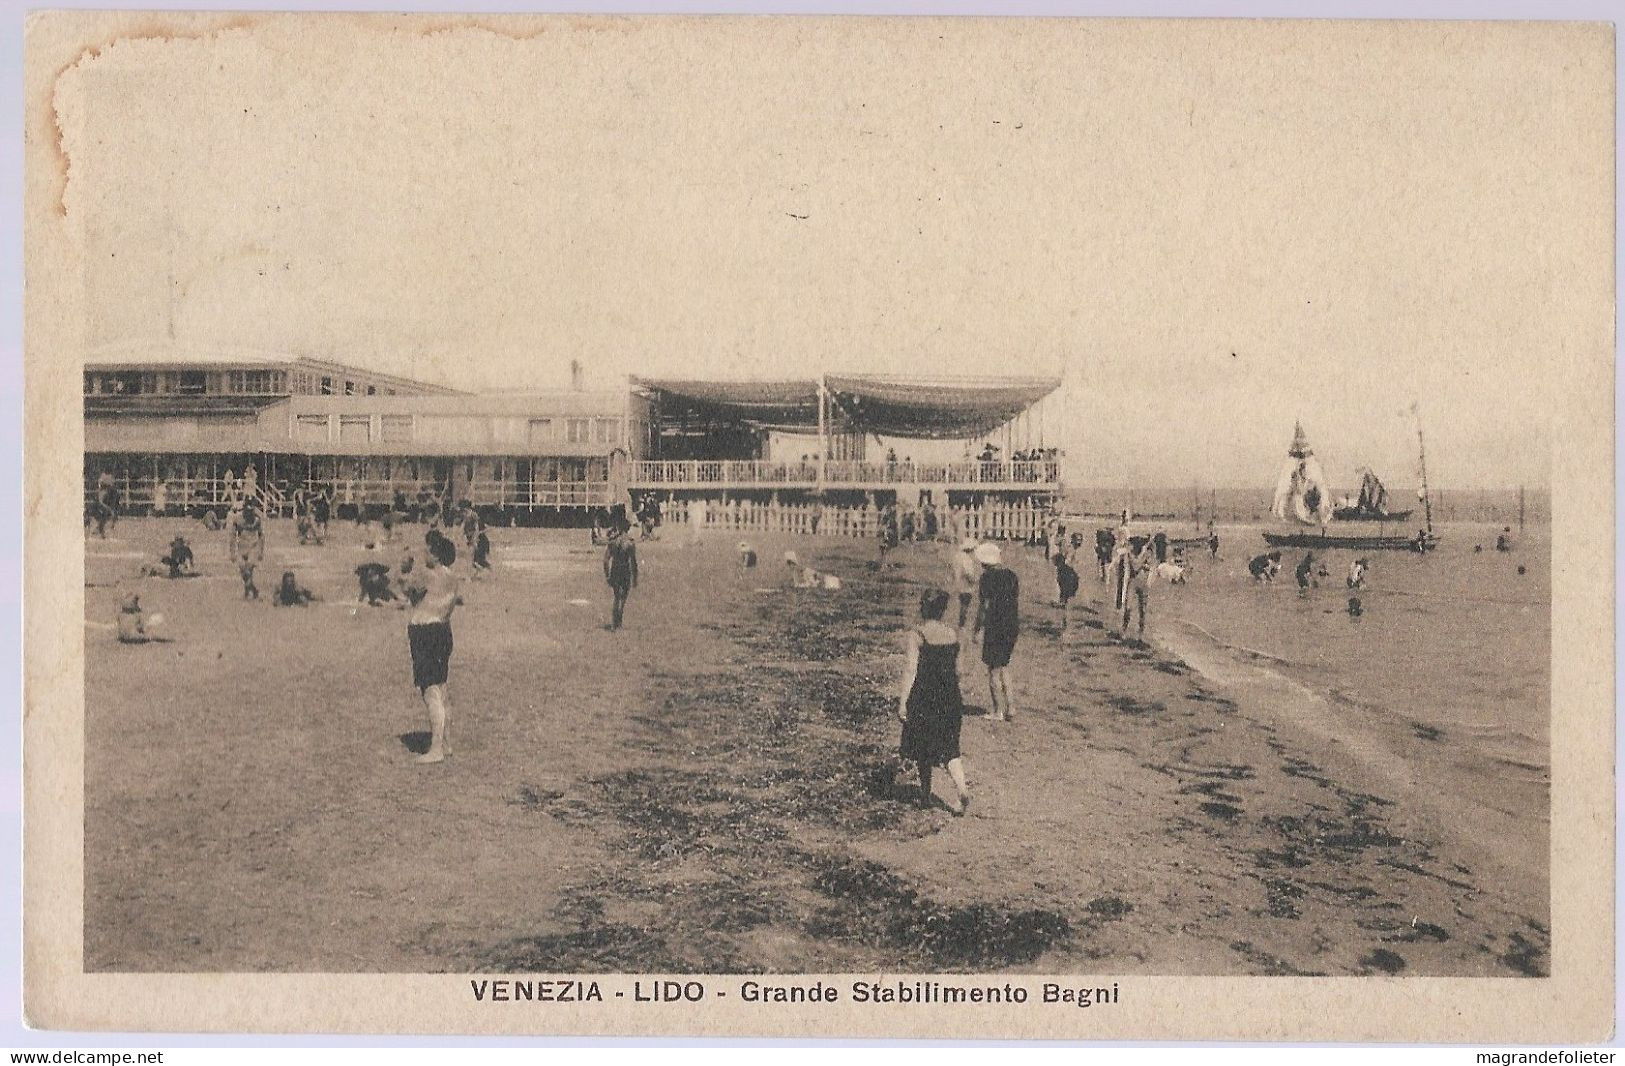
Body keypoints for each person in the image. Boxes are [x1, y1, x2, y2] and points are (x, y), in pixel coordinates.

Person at [896, 588, 970, 815]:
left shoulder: (917, 635)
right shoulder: (953, 634)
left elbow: (910, 670)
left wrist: (903, 701)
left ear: (924, 607)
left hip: (925, 697)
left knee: (922, 748)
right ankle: (962, 789)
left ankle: (926, 794)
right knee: (950, 749)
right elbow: (959, 671)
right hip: (950, 696)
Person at [403, 532, 463, 764]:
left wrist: (406, 567)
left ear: (436, 555)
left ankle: (436, 748)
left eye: (427, 550)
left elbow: (406, 589)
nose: (423, 554)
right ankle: (445, 743)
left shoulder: (427, 575)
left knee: (430, 691)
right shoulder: (452, 577)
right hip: (443, 632)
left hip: (425, 633)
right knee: (441, 688)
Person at [971, 542, 1019, 722]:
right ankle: (1011, 707)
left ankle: (998, 710)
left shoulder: (986, 579)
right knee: (1004, 666)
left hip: (995, 627)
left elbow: (984, 607)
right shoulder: (1012, 576)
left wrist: (977, 629)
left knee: (993, 670)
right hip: (1012, 626)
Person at [604, 519, 639, 629]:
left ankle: (615, 622)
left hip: (615, 569)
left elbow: (605, 560)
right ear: (628, 528)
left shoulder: (613, 541)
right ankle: (619, 618)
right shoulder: (630, 542)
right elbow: (633, 561)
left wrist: (607, 575)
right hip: (625, 570)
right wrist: (635, 577)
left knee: (616, 596)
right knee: (623, 597)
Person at [230, 500, 265, 600]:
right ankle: (253, 590)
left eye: (251, 510)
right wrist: (232, 552)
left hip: (252, 548)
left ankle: (247, 593)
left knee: (249, 569)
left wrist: (261, 551)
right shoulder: (238, 520)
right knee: (243, 572)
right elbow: (232, 536)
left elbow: (261, 536)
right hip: (241, 548)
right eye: (248, 510)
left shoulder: (257, 520)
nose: (250, 513)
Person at [1120, 537, 1155, 640]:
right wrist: (1143, 560)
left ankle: (1140, 633)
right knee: (1128, 607)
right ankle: (1124, 630)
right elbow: (1136, 566)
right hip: (1134, 582)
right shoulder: (1131, 554)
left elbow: (1150, 566)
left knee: (1142, 610)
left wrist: (1145, 563)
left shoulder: (1145, 553)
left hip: (1143, 583)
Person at [952, 539, 979, 628]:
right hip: (966, 585)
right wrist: (974, 580)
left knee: (962, 604)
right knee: (965, 605)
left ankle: (960, 623)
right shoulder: (967, 559)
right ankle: (961, 624)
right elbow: (969, 573)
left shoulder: (957, 556)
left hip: (958, 582)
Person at [1053, 549, 1080, 629]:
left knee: (1064, 594)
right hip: (1072, 584)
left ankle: (1063, 603)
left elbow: (1063, 586)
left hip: (1070, 585)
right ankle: (1063, 602)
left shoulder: (1062, 570)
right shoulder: (1063, 568)